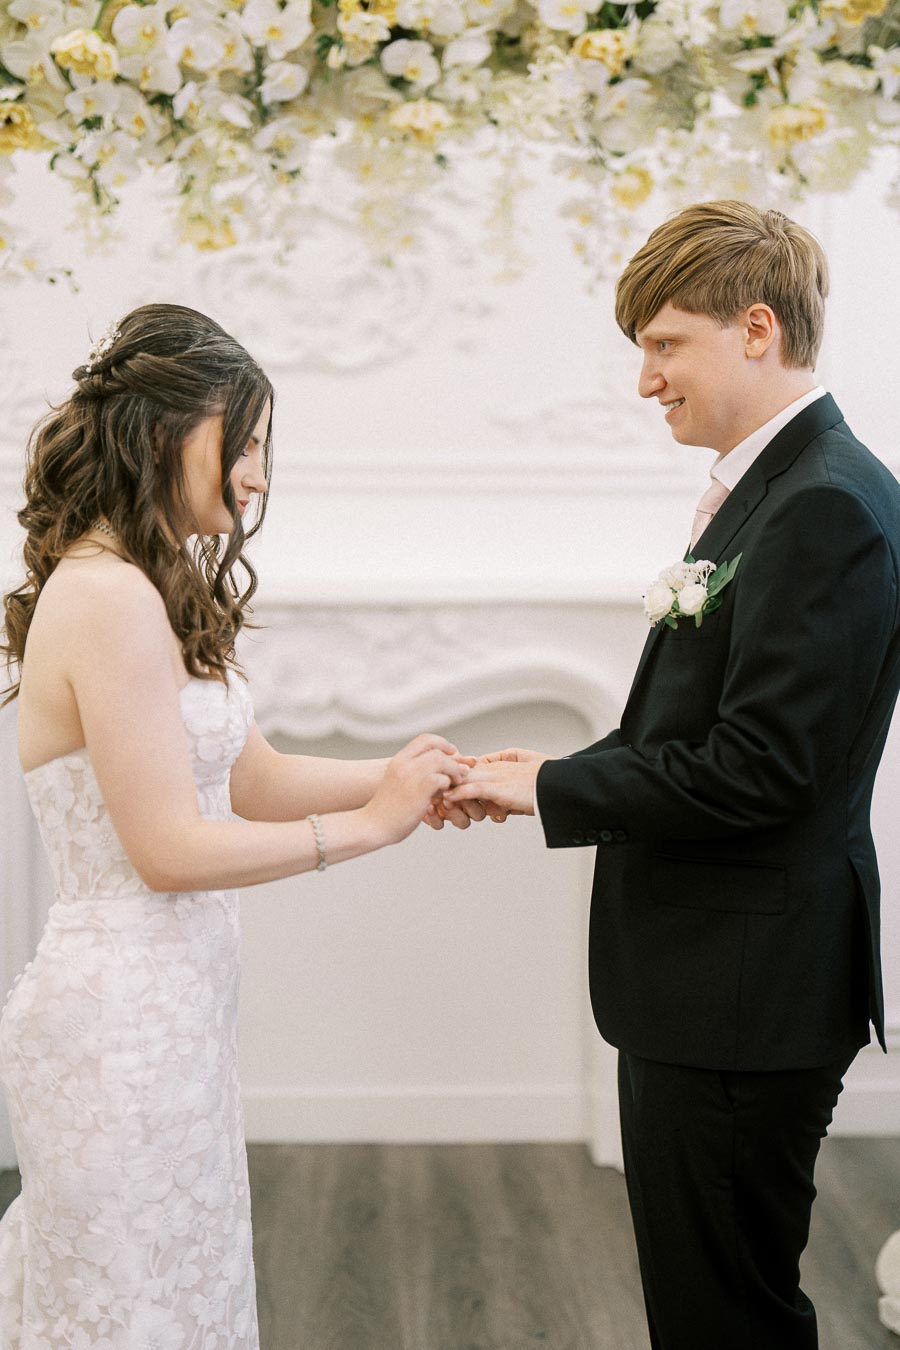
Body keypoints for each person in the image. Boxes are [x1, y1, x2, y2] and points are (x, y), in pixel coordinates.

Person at [445, 200, 900, 1348]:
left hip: (744, 993)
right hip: (724, 981)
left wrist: (556, 789)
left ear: (756, 328)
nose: (647, 381)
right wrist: (549, 768)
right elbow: (716, 728)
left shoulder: (826, 505)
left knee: (728, 1318)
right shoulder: (786, 486)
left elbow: (764, 772)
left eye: (663, 345)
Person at [0, 303, 469, 1347]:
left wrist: (402, 779)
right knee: (129, 1311)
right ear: (168, 431)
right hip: (114, 1026)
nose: (257, 477)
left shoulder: (149, 584)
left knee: (184, 1288)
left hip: (175, 1016)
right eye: (244, 443)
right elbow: (166, 853)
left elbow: (248, 780)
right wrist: (372, 829)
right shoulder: (107, 596)